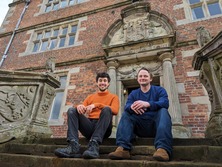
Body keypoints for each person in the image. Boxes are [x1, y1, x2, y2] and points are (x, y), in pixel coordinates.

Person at [108, 67, 173, 161]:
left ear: (150, 78)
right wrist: (132, 107)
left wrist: (147, 104)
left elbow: (165, 103)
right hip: (140, 126)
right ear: (138, 79)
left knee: (163, 111)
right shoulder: (134, 93)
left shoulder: (159, 90)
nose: (143, 78)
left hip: (156, 126)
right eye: (140, 76)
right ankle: (123, 149)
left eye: (145, 76)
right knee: (126, 113)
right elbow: (127, 106)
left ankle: (162, 149)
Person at [54, 72, 119, 159]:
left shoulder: (113, 97)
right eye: (100, 80)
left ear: (108, 84)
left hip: (104, 127)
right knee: (72, 110)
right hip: (89, 126)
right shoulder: (90, 97)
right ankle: (73, 146)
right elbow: (82, 108)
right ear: (97, 83)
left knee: (107, 109)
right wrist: (79, 106)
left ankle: (94, 145)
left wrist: (96, 105)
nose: (102, 83)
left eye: (105, 81)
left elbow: (115, 110)